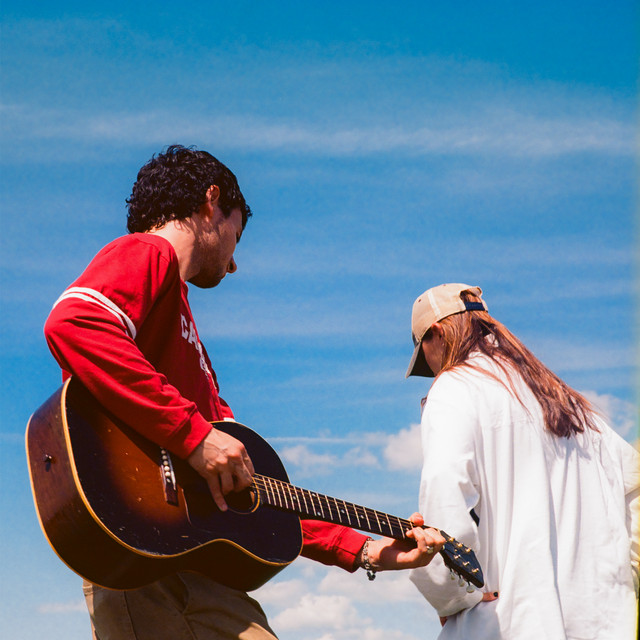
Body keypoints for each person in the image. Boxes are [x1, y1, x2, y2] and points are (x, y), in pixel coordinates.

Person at [43, 144, 445, 640]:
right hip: (143, 554)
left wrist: (362, 549)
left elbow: (251, 484)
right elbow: (76, 322)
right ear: (212, 202)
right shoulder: (148, 253)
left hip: (199, 565)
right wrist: (194, 437)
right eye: (236, 233)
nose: (233, 264)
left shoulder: (184, 329)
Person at [405, 283, 639, 639]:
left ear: (436, 334)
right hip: (600, 624)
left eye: (425, 356)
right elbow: (633, 490)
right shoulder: (567, 402)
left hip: (507, 623)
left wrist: (452, 595)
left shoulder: (454, 388)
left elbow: (446, 497)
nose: (433, 368)